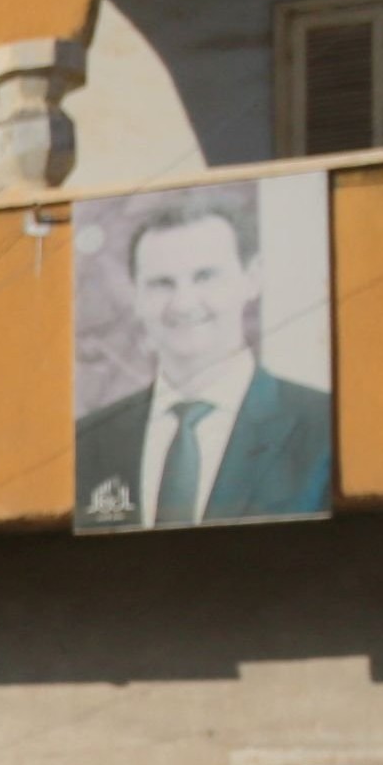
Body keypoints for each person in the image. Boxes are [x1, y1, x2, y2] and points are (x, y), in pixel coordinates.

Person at [73, 193, 332, 529]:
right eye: (161, 284)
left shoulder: (322, 427)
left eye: (205, 277)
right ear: (136, 296)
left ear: (252, 279)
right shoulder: (88, 442)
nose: (183, 304)